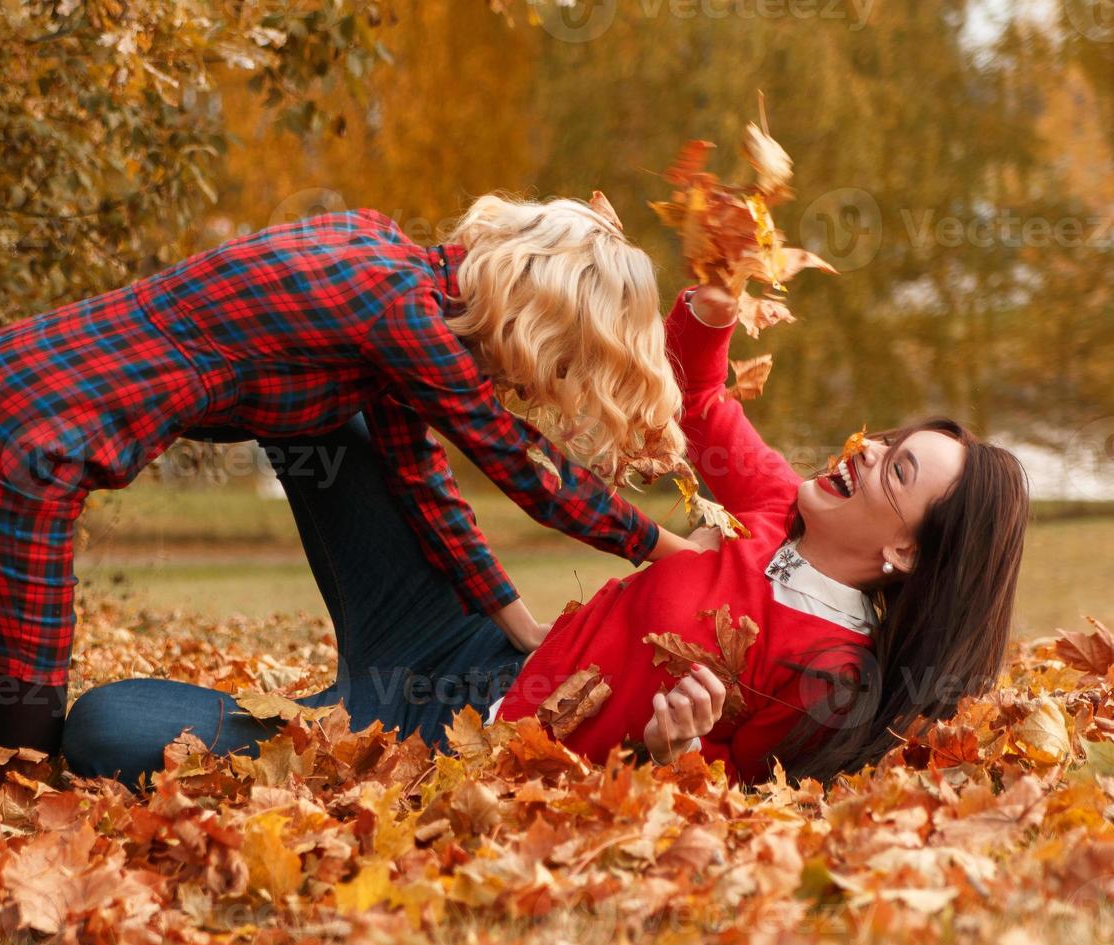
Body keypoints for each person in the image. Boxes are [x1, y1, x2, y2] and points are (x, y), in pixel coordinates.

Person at [0, 196, 706, 769]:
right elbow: (518, 468)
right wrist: (663, 547)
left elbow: (423, 481)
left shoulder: (378, 263)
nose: (535, 386)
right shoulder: (410, 321)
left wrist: (509, 615)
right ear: (533, 316)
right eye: (556, 363)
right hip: (22, 458)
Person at [60, 282, 1031, 787]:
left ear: (905, 553)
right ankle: (64, 399)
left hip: (448, 749)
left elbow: (720, 808)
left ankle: (299, 721)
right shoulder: (781, 506)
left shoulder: (825, 673)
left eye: (896, 469)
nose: (866, 451)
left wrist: (668, 752)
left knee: (102, 727)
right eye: (889, 439)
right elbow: (693, 394)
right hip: (475, 640)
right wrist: (713, 306)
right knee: (338, 401)